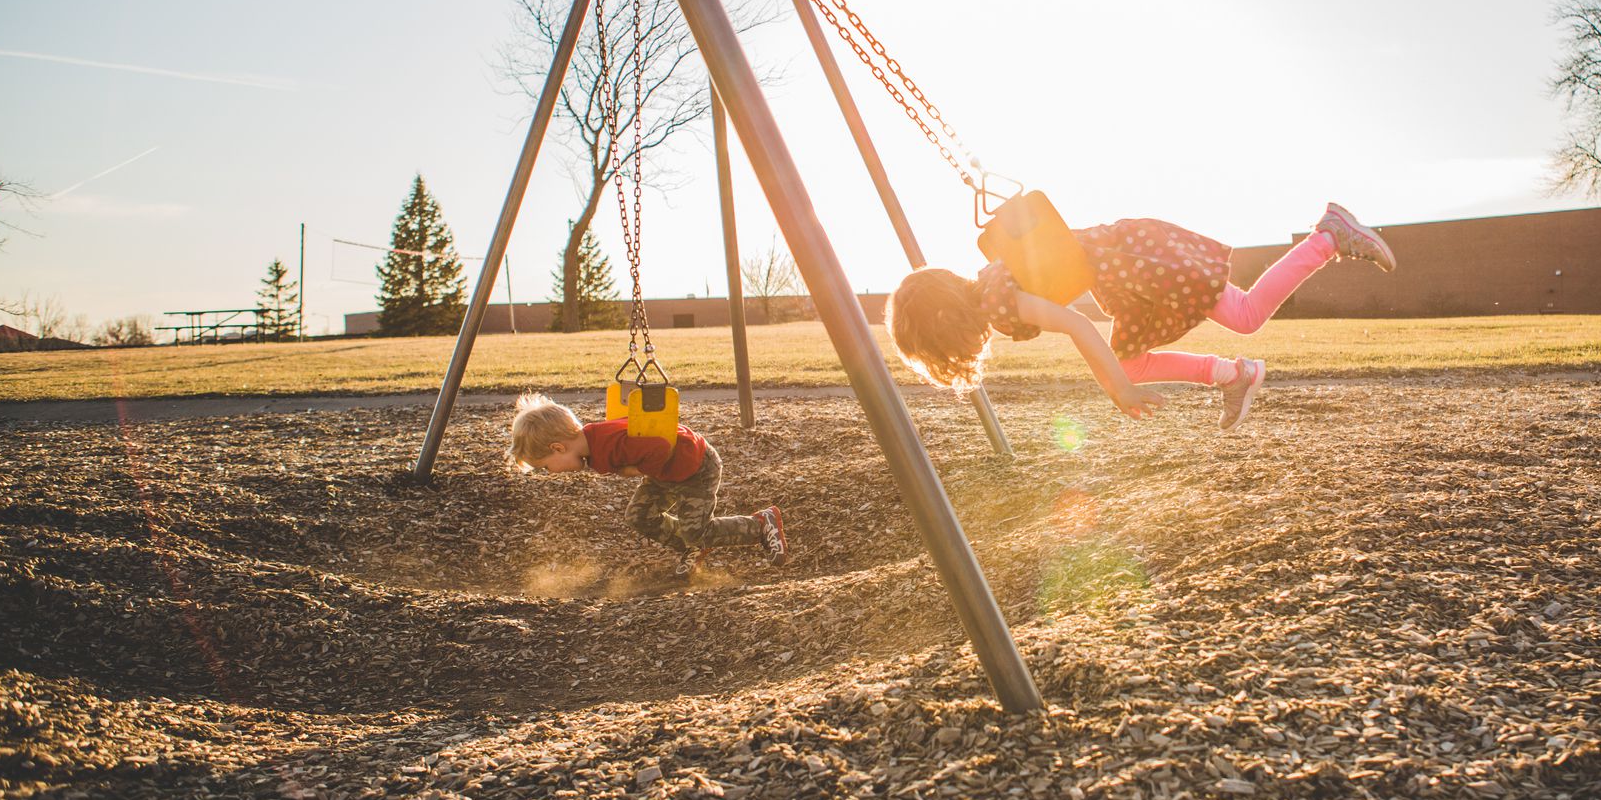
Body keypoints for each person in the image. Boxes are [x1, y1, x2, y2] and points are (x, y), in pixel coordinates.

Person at [887, 202, 1394, 430]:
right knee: (1129, 359)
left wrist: (1117, 392)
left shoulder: (1000, 302)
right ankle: (1232, 375)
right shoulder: (991, 278)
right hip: (1130, 268)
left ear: (944, 328)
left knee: (1245, 315)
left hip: (1141, 268)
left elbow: (1078, 326)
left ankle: (1329, 237)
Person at [508, 394, 784, 580]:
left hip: (696, 467)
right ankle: (692, 547)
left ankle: (760, 524)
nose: (551, 472)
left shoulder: (609, 443)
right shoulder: (591, 447)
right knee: (638, 516)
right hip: (667, 474)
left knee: (696, 529)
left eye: (547, 466)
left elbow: (661, 446)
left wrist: (634, 471)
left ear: (558, 447)